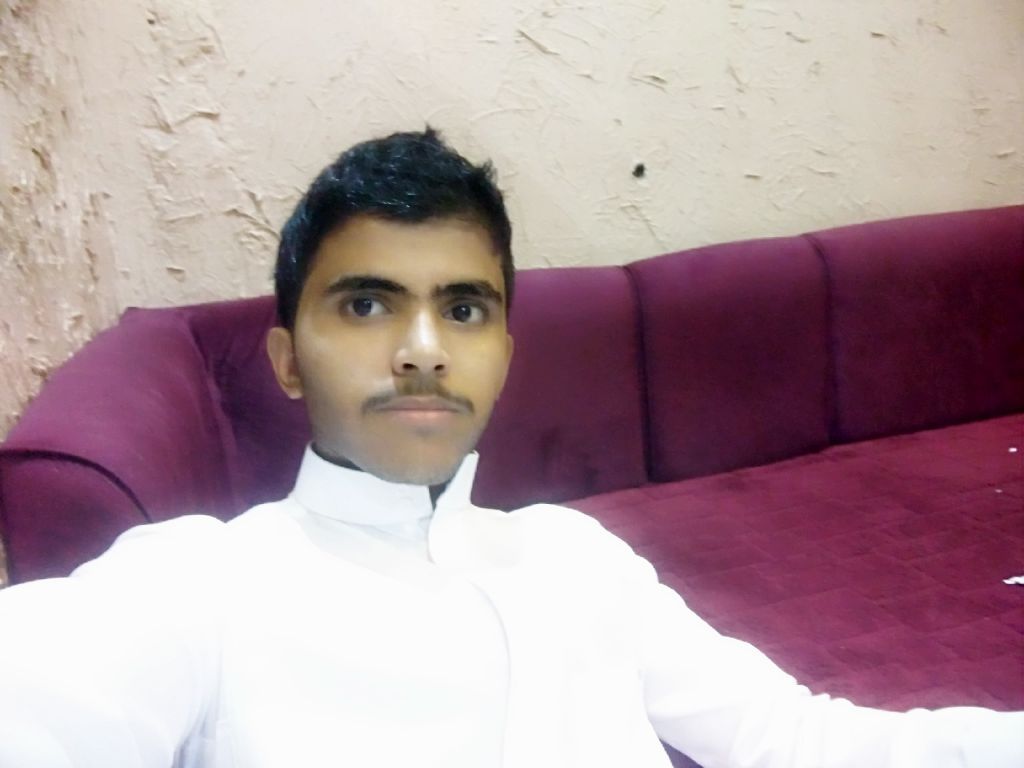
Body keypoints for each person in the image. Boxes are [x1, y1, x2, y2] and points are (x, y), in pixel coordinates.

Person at [0, 128, 1020, 768]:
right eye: (366, 304)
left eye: (464, 308)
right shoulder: (202, 587)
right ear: (288, 361)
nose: (423, 350)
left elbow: (791, 740)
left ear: (503, 352)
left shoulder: (577, 558)